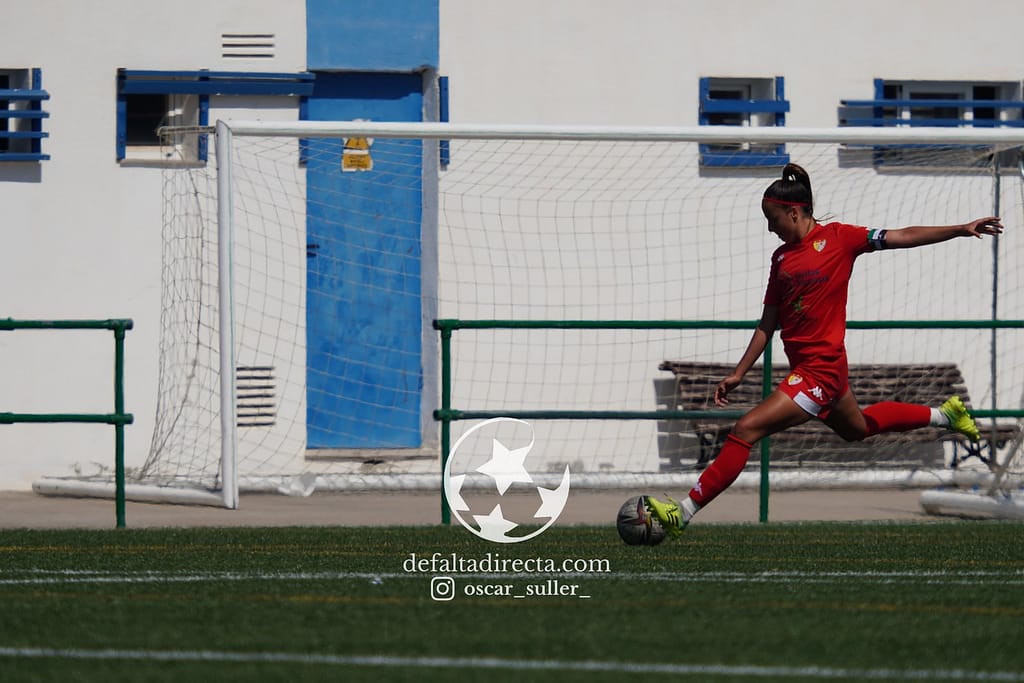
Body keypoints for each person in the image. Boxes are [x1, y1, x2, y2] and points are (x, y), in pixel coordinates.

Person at [645, 163, 1004, 536]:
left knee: (745, 429)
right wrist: (739, 372)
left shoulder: (841, 238)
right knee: (858, 428)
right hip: (809, 369)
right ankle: (945, 415)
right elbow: (768, 322)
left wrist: (959, 229)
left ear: (793, 212)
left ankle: (681, 513)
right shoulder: (780, 259)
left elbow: (902, 236)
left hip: (822, 370)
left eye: (772, 219)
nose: (770, 228)